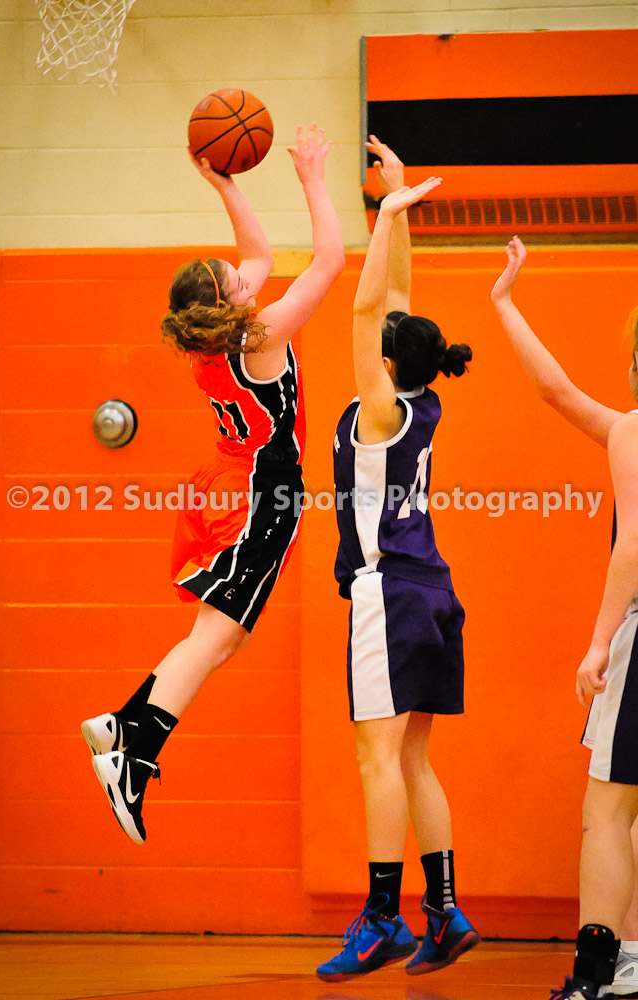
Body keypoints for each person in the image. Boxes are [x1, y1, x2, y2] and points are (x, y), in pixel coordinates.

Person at [81, 123, 345, 844]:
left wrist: (225, 183)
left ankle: (127, 725)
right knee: (214, 639)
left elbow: (258, 254)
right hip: (260, 495)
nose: (246, 272)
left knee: (220, 639)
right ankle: (133, 747)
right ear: (232, 302)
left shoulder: (217, 337)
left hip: (230, 482)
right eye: (235, 278)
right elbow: (328, 261)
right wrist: (314, 179)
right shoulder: (262, 338)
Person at [316, 138, 479, 983]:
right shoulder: (420, 399)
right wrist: (404, 200)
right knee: (413, 758)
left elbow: (364, 307)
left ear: (387, 360)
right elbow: (398, 299)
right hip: (435, 592)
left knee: (376, 759)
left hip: (389, 594)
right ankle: (444, 911)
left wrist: (383, 215)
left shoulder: (375, 412)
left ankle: (382, 917)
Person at [491, 237, 638, 1000]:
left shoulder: (637, 431)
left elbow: (636, 545)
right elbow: (562, 395)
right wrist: (506, 305)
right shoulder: (623, 429)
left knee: (607, 810)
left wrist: (598, 639)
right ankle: (633, 965)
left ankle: (592, 975)